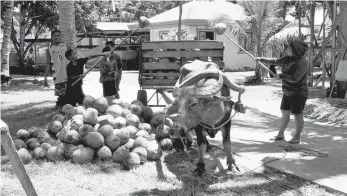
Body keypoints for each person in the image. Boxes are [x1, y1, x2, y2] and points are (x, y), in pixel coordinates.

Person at [255, 40, 309, 144]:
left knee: (297, 114)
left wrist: (280, 76)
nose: (287, 49)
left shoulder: (302, 62)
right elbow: (276, 61)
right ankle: (281, 134)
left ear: (296, 50)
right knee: (285, 112)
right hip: (287, 91)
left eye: (289, 48)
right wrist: (261, 59)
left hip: (299, 93)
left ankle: (297, 137)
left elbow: (295, 78)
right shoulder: (288, 58)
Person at [44, 29, 69, 109]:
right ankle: (60, 106)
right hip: (57, 74)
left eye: (58, 35)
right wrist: (45, 78)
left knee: (69, 93)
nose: (57, 37)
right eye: (55, 35)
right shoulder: (49, 49)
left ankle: (67, 107)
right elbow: (47, 63)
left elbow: (73, 58)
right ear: (52, 37)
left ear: (61, 36)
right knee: (60, 94)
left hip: (68, 73)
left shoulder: (66, 46)